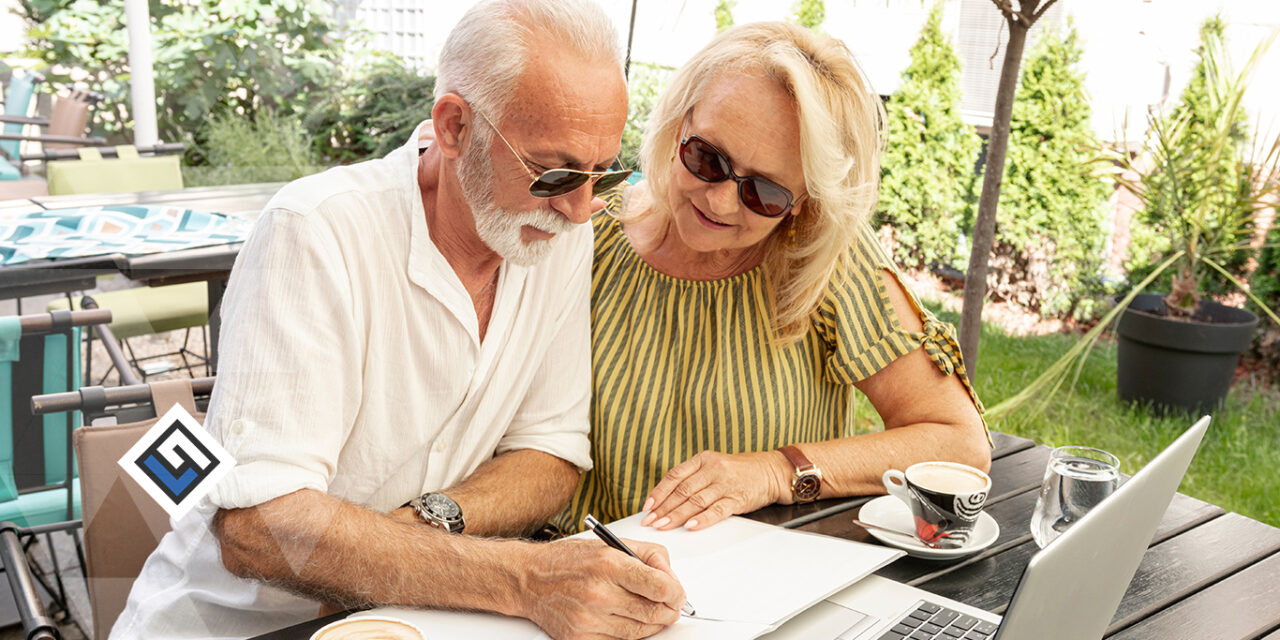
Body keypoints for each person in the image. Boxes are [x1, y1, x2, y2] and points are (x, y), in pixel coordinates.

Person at [111, 2, 686, 639]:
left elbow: (551, 453)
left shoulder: (554, 233)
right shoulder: (316, 231)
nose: (580, 211)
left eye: (601, 173)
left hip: (417, 618)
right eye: (553, 173)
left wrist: (411, 537)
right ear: (454, 127)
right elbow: (257, 530)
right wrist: (522, 579)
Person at [554, 22, 991, 534]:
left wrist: (776, 471)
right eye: (707, 158)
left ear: (803, 204)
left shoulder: (822, 255)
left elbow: (959, 442)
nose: (717, 201)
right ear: (680, 123)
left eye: (764, 192)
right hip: (584, 574)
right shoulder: (586, 235)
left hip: (763, 583)